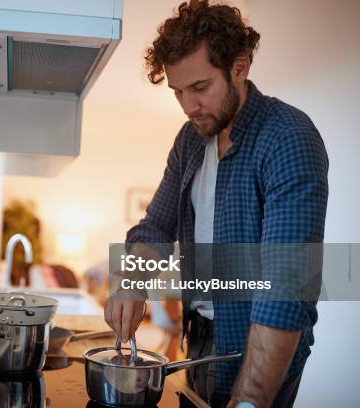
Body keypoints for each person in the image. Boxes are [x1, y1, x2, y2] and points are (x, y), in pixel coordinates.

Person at [104, 1, 328, 407]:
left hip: (259, 343)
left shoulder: (287, 137)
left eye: (200, 87)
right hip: (201, 335)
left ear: (239, 67)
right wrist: (131, 280)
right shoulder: (190, 140)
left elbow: (287, 287)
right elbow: (155, 227)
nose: (189, 106)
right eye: (178, 92)